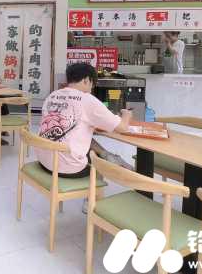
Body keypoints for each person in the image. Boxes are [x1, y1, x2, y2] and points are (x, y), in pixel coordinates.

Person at [36, 63, 133, 211]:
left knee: (83, 138)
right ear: (86, 80)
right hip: (65, 168)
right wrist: (127, 115)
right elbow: (122, 128)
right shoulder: (87, 99)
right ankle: (91, 203)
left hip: (45, 160)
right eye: (92, 83)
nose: (91, 88)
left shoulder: (53, 95)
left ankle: (108, 155)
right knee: (98, 160)